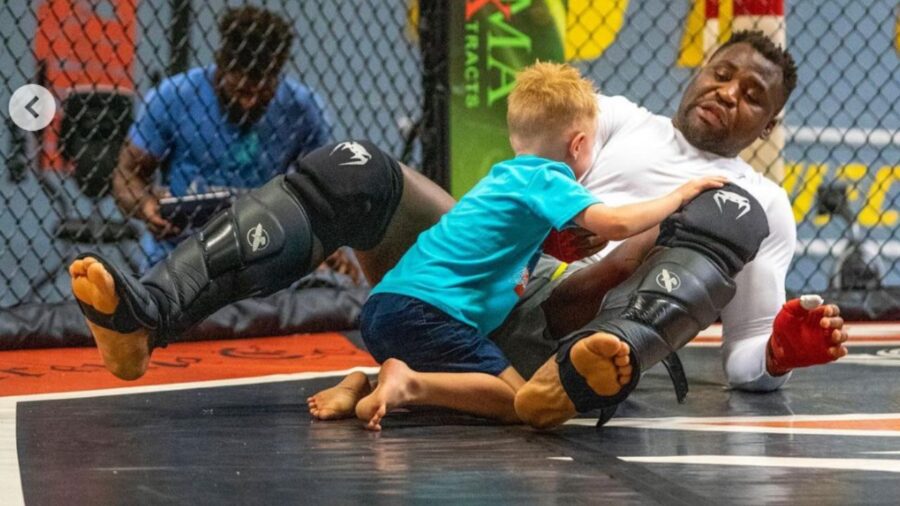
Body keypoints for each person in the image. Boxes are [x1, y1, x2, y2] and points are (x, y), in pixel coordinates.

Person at [306, 62, 727, 431]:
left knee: (457, 370)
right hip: (431, 314)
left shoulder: (501, 176)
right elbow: (615, 224)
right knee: (522, 403)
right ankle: (409, 384)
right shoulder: (547, 179)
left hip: (385, 308)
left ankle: (361, 382)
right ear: (579, 145)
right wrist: (679, 195)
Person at [504, 31, 850, 429]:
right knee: (415, 187)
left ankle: (568, 377)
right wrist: (561, 219)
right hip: (508, 280)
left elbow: (744, 358)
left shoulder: (761, 202)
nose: (727, 93)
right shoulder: (615, 117)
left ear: (768, 127)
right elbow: (520, 167)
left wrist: (777, 355)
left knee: (727, 209)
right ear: (699, 74)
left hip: (593, 337)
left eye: (752, 96)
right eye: (721, 74)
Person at [112, 6, 331, 269]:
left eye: (262, 92)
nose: (249, 103)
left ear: (276, 77)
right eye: (241, 91)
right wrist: (145, 206)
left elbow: (323, 188)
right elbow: (127, 175)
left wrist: (323, 242)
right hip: (180, 257)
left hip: (264, 254)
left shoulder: (301, 107)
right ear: (221, 68)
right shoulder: (174, 96)